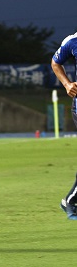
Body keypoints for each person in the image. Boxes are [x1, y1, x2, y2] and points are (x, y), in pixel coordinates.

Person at [51, 32, 77, 220]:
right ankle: (70, 201)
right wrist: (67, 84)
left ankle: (71, 201)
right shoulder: (73, 41)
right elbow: (55, 62)